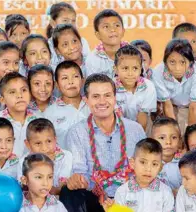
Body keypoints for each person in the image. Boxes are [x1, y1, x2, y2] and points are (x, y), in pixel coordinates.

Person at [60, 74, 146, 211]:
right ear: (86, 100)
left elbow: (144, 166)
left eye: (107, 95)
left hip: (130, 196)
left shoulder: (135, 129)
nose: (102, 101)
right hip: (95, 198)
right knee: (69, 193)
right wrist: (81, 182)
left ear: (114, 98)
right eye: (95, 96)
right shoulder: (76, 132)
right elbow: (81, 172)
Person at [152, 39, 196, 134]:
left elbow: (194, 108)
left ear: (191, 62)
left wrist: (189, 135)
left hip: (195, 107)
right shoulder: (158, 71)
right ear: (165, 62)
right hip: (172, 107)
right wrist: (176, 133)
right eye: (172, 62)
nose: (177, 68)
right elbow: (167, 106)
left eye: (183, 62)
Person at [0, 72, 41, 157]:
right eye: (12, 92)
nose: (19, 95)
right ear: (2, 100)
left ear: (30, 94)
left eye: (24, 90)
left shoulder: (39, 119)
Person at [103, 138, 175, 211]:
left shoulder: (166, 192)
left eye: (154, 164)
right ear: (132, 163)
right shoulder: (122, 192)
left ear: (160, 168)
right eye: (143, 162)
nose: (148, 169)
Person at [43, 61, 90, 150]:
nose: (71, 82)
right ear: (56, 84)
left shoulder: (94, 105)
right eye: (65, 78)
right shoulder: (49, 114)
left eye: (75, 77)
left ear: (82, 80)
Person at [19, 118, 72, 195]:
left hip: (61, 200)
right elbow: (24, 187)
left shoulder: (66, 156)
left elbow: (63, 186)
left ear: (55, 139)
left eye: (49, 141)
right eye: (38, 143)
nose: (44, 148)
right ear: (28, 144)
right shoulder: (23, 161)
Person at [114, 45, 157, 130]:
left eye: (135, 68)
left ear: (141, 69)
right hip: (118, 127)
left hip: (142, 128)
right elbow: (118, 118)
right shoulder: (110, 88)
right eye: (125, 68)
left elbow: (142, 119)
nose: (130, 73)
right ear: (115, 69)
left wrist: (137, 138)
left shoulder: (148, 86)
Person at [46, 1, 90, 69]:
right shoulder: (48, 45)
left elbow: (88, 63)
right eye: (65, 20)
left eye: (73, 21)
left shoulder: (82, 41)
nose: (70, 24)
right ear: (53, 23)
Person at [86, 9, 127, 78]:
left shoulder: (134, 54)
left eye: (117, 25)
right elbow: (93, 86)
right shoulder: (92, 59)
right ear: (98, 34)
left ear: (123, 31)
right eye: (106, 27)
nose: (112, 30)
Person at [151, 117, 183, 191]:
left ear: (180, 141)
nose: (168, 142)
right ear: (152, 140)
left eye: (174, 137)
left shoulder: (186, 162)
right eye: (162, 138)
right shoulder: (147, 163)